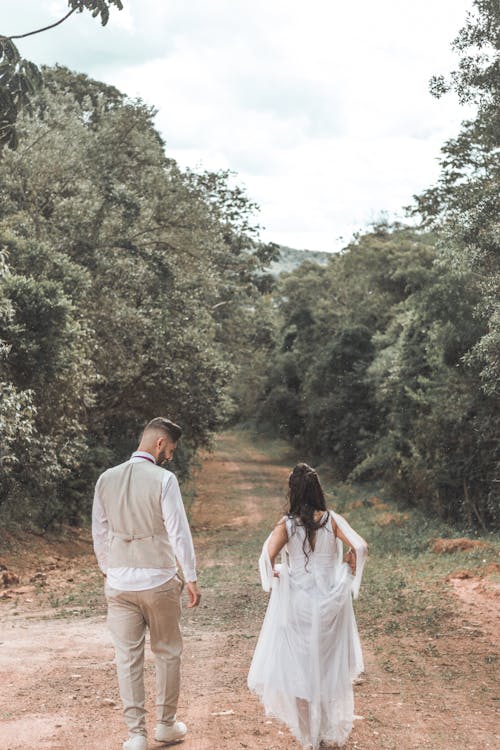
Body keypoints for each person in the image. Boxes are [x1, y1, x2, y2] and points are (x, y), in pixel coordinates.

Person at [92, 417, 202, 750]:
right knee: (167, 652)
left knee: (127, 658)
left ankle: (136, 735)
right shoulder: (164, 479)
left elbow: (99, 529)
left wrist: (107, 569)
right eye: (170, 448)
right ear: (159, 443)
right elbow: (178, 532)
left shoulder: (106, 479)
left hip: (120, 582)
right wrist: (192, 577)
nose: (170, 454)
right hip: (158, 579)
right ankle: (166, 725)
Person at [248, 463, 368, 750]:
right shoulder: (332, 519)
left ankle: (308, 738)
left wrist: (274, 574)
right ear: (318, 490)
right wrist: (351, 564)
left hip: (298, 604)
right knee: (327, 667)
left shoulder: (287, 524)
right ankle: (325, 731)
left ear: (293, 491)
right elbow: (361, 546)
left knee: (300, 668)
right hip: (330, 603)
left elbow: (265, 556)